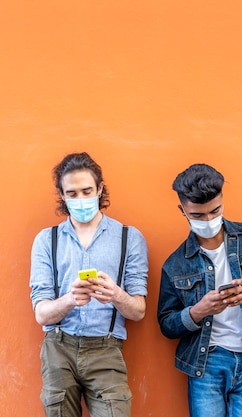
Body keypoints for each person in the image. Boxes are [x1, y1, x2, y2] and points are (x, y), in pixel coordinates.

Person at [157, 163, 242, 417]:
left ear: (222, 201)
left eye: (215, 211)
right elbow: (166, 323)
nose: (209, 220)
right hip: (206, 362)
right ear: (183, 211)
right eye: (198, 216)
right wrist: (197, 312)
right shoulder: (175, 264)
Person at [29, 152, 149, 417]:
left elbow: (138, 311)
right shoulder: (46, 240)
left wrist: (116, 294)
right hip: (58, 347)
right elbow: (41, 314)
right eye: (72, 194)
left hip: (106, 348)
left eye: (87, 191)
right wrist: (70, 298)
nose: (80, 199)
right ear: (62, 195)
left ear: (100, 189)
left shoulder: (129, 238)